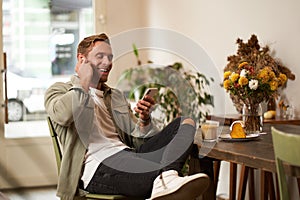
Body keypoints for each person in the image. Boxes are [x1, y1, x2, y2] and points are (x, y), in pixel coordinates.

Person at [44, 33, 210, 200]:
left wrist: (144, 120)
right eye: (100, 56)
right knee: (160, 175)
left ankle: (166, 177)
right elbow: (64, 115)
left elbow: (136, 141)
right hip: (98, 168)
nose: (107, 63)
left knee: (185, 122)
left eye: (110, 57)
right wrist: (84, 82)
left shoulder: (115, 96)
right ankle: (165, 178)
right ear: (82, 59)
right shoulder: (59, 91)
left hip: (129, 154)